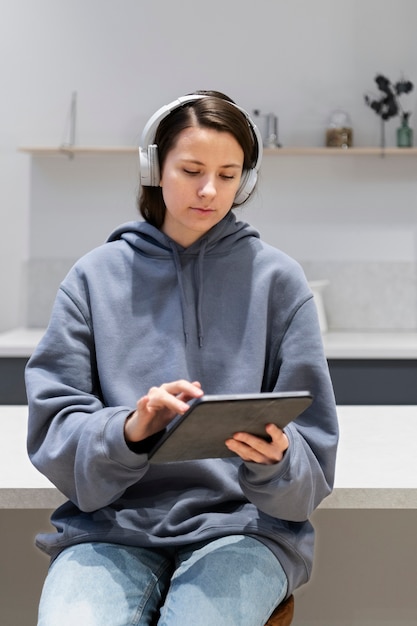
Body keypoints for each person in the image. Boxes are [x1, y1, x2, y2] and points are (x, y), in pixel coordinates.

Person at [25, 90, 338, 626]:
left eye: (230, 173)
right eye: (192, 169)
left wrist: (278, 458)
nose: (211, 190)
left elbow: (314, 464)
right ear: (154, 167)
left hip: (246, 529)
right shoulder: (92, 280)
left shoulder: (280, 283)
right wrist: (130, 430)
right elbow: (54, 434)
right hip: (108, 528)